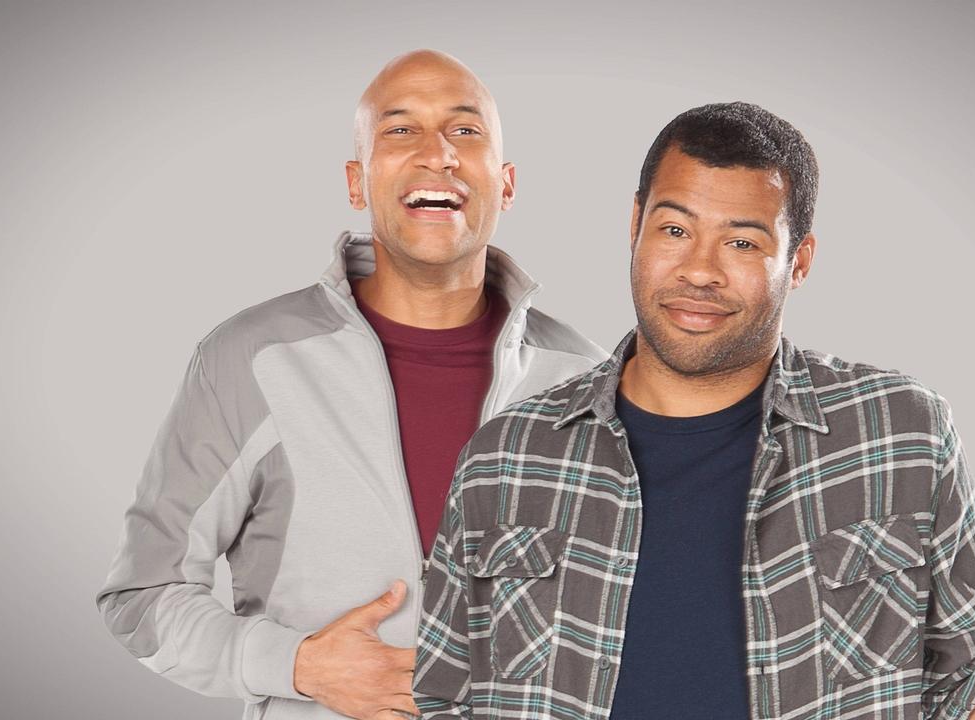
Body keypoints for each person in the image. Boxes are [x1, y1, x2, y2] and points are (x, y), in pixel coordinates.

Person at [414, 102, 975, 719]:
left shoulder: (899, 434)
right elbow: (443, 696)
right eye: (674, 229)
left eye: (742, 242)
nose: (700, 270)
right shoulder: (505, 458)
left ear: (799, 261)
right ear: (635, 226)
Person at [96, 49, 605, 720]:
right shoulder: (250, 361)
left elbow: (633, 612)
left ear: (506, 184)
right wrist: (297, 665)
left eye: (465, 130)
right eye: (400, 130)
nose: (437, 154)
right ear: (357, 182)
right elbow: (141, 597)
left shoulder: (586, 383)